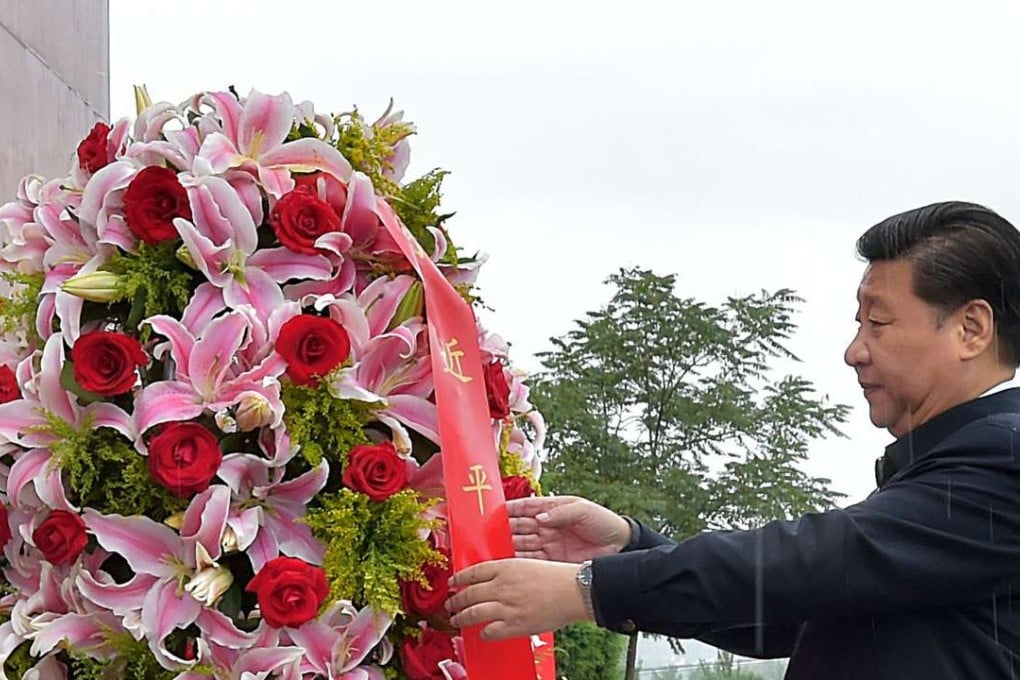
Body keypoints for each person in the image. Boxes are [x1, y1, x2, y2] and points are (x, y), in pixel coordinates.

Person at [446, 201, 1020, 678]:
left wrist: (587, 588)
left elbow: (815, 561)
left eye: (880, 322)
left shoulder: (1004, 458)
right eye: (858, 322)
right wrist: (627, 548)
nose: (855, 351)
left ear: (970, 329)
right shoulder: (946, 474)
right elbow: (788, 612)